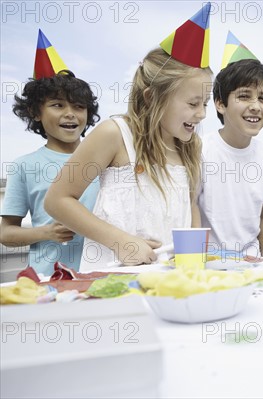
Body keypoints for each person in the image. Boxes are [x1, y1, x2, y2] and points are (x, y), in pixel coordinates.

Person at [45, 6, 214, 270]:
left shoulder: (191, 146)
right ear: (151, 98)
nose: (202, 114)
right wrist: (121, 241)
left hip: (170, 278)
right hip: (112, 275)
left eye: (205, 103)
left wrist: (193, 261)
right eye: (193, 103)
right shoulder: (115, 134)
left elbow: (189, 205)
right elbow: (57, 200)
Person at [0, 30, 100, 275]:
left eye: (79, 106)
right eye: (57, 105)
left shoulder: (105, 160)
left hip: (101, 272)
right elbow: (6, 232)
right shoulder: (24, 166)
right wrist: (46, 232)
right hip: (48, 279)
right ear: (35, 112)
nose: (70, 113)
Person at [199, 58, 263, 257]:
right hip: (208, 264)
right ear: (220, 104)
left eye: (262, 99)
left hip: (251, 263)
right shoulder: (201, 150)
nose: (255, 106)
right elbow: (190, 209)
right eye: (244, 96)